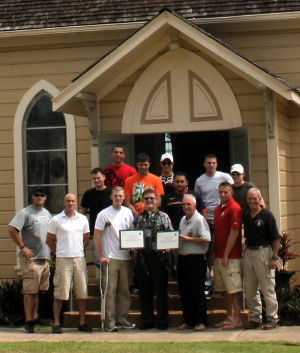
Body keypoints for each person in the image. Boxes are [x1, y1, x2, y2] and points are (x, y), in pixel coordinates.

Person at [46, 193, 92, 334]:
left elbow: (86, 238)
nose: (70, 203)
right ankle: (57, 323)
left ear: (76, 203)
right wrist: (58, 252)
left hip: (79, 258)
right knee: (60, 293)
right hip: (63, 259)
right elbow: (49, 240)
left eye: (72, 201)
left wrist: (79, 250)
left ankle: (82, 322)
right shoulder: (56, 220)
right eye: (68, 201)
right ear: (63, 203)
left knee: (82, 292)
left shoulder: (83, 219)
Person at [8, 186, 51, 334]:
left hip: (44, 258)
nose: (40, 197)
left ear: (45, 197)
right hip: (30, 259)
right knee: (29, 291)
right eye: (37, 195)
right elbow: (12, 229)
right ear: (32, 197)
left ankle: (34, 317)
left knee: (37, 291)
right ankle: (28, 321)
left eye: (42, 195)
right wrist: (23, 247)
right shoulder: (25, 212)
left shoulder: (47, 213)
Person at [94, 186, 136, 332]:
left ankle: (122, 318)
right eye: (116, 196)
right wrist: (101, 256)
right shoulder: (103, 214)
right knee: (110, 290)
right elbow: (97, 236)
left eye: (121, 196)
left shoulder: (128, 212)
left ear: (124, 197)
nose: (118, 198)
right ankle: (109, 321)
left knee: (124, 289)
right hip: (110, 258)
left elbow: (131, 234)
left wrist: (133, 251)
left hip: (125, 257)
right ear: (111, 197)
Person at [134, 189, 173, 330]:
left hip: (159, 257)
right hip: (143, 257)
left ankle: (163, 321)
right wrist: (132, 246)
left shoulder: (164, 217)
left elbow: (170, 234)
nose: (149, 200)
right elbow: (132, 236)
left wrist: (169, 246)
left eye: (152, 198)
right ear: (143, 201)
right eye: (146, 198)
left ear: (156, 200)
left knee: (161, 290)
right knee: (144, 290)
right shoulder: (138, 218)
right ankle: (147, 321)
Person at [243, 188, 280, 330]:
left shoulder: (267, 215)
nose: (252, 201)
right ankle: (254, 318)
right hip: (249, 252)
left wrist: (274, 258)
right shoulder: (246, 215)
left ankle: (272, 318)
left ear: (260, 199)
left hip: (263, 252)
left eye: (254, 198)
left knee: (267, 287)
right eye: (249, 198)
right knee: (250, 289)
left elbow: (276, 239)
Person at [177, 194, 211, 332]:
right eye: (184, 204)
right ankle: (188, 321)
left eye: (188, 204)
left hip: (196, 260)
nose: (186, 207)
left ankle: (201, 321)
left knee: (197, 292)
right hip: (183, 259)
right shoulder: (182, 220)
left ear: (195, 205)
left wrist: (188, 239)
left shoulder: (199, 220)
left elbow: (207, 239)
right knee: (185, 292)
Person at [213, 182, 243, 330]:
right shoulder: (218, 209)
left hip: (231, 256)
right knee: (225, 288)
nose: (223, 195)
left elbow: (235, 232)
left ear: (231, 193)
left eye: (226, 192)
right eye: (221, 192)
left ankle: (238, 318)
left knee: (234, 288)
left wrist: (226, 254)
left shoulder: (235, 208)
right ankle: (229, 316)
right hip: (218, 255)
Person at [80, 167, 112, 267]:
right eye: (94, 179)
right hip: (96, 232)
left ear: (103, 177)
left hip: (111, 232)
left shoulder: (111, 193)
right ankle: (104, 280)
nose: (96, 180)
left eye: (98, 178)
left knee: (113, 260)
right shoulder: (88, 194)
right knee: (99, 261)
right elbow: (82, 213)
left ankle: (111, 281)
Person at [194, 154, 233, 228]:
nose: (211, 165)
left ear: (217, 164)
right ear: (204, 164)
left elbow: (233, 192)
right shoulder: (199, 181)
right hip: (206, 217)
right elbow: (196, 200)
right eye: (209, 163)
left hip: (222, 214)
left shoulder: (225, 177)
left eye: (213, 163)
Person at [124, 152, 164, 217]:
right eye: (141, 165)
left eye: (145, 165)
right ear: (137, 165)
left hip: (152, 214)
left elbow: (159, 200)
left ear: (149, 164)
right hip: (135, 215)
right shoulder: (129, 180)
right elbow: (127, 202)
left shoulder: (156, 179)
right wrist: (136, 214)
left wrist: (150, 212)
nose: (143, 167)